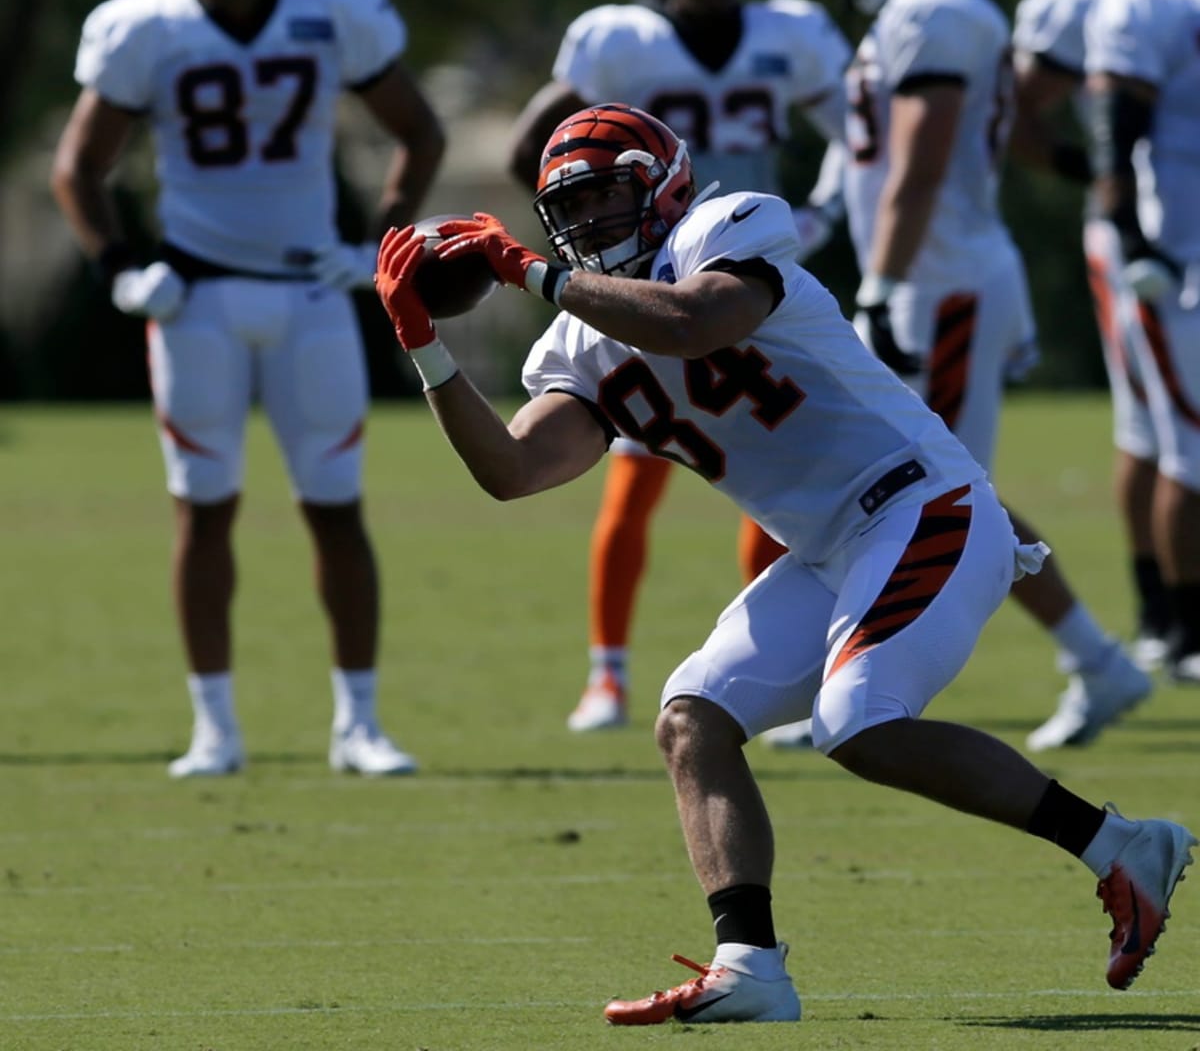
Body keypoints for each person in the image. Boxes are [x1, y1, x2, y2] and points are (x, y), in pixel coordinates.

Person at [373, 101, 1194, 1022]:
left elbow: (696, 322)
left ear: (665, 188)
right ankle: (750, 965)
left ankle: (1118, 844)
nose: (591, 223)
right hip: (831, 547)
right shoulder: (576, 342)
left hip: (927, 504)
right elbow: (514, 470)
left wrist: (530, 270)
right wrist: (425, 347)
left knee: (856, 719)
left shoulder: (726, 228)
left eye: (609, 195)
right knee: (693, 719)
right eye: (574, 208)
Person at [50, 0, 445, 777]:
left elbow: (420, 131)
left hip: (312, 291)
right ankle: (215, 728)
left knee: (337, 509)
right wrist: (120, 267)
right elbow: (79, 168)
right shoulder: (145, 29)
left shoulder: (331, 10)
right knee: (203, 510)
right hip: (197, 299)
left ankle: (359, 723)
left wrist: (377, 248)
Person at [818, 0, 1152, 752]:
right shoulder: (911, 13)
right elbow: (872, 156)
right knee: (906, 486)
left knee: (951, 493)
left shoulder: (934, 12)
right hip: (934, 276)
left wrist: (882, 288)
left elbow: (920, 166)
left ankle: (1095, 659)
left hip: (942, 281)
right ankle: (1094, 659)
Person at [507, 0, 851, 737]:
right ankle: (608, 674)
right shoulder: (618, 39)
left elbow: (863, 131)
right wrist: (590, 248)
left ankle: (772, 668)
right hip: (651, 275)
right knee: (630, 479)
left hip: (741, 272)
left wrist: (827, 209)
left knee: (774, 468)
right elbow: (535, 149)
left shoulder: (791, 32)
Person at [1011, 0, 1179, 685]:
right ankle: (1165, 611)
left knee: (1156, 424)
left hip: (1160, 230)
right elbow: (1014, 112)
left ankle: (1165, 611)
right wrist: (1102, 181)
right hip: (1144, 239)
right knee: (1157, 424)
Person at [1083, 0, 1200, 684]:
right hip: (1178, 257)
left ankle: (1167, 619)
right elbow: (1112, 115)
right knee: (1186, 446)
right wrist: (1127, 231)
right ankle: (1184, 627)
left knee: (1158, 436)